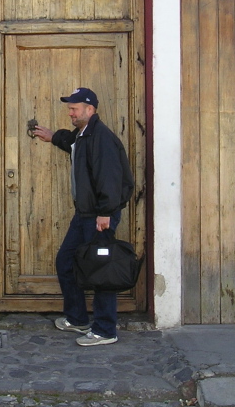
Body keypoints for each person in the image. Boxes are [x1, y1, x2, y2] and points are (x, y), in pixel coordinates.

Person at [32, 87, 134, 346]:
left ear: (90, 110)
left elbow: (110, 179)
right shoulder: (84, 136)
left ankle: (104, 330)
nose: (70, 113)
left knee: (101, 271)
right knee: (66, 262)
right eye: (70, 109)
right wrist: (54, 137)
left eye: (74, 109)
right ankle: (77, 318)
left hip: (99, 217)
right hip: (85, 215)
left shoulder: (102, 138)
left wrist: (105, 214)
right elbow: (74, 146)